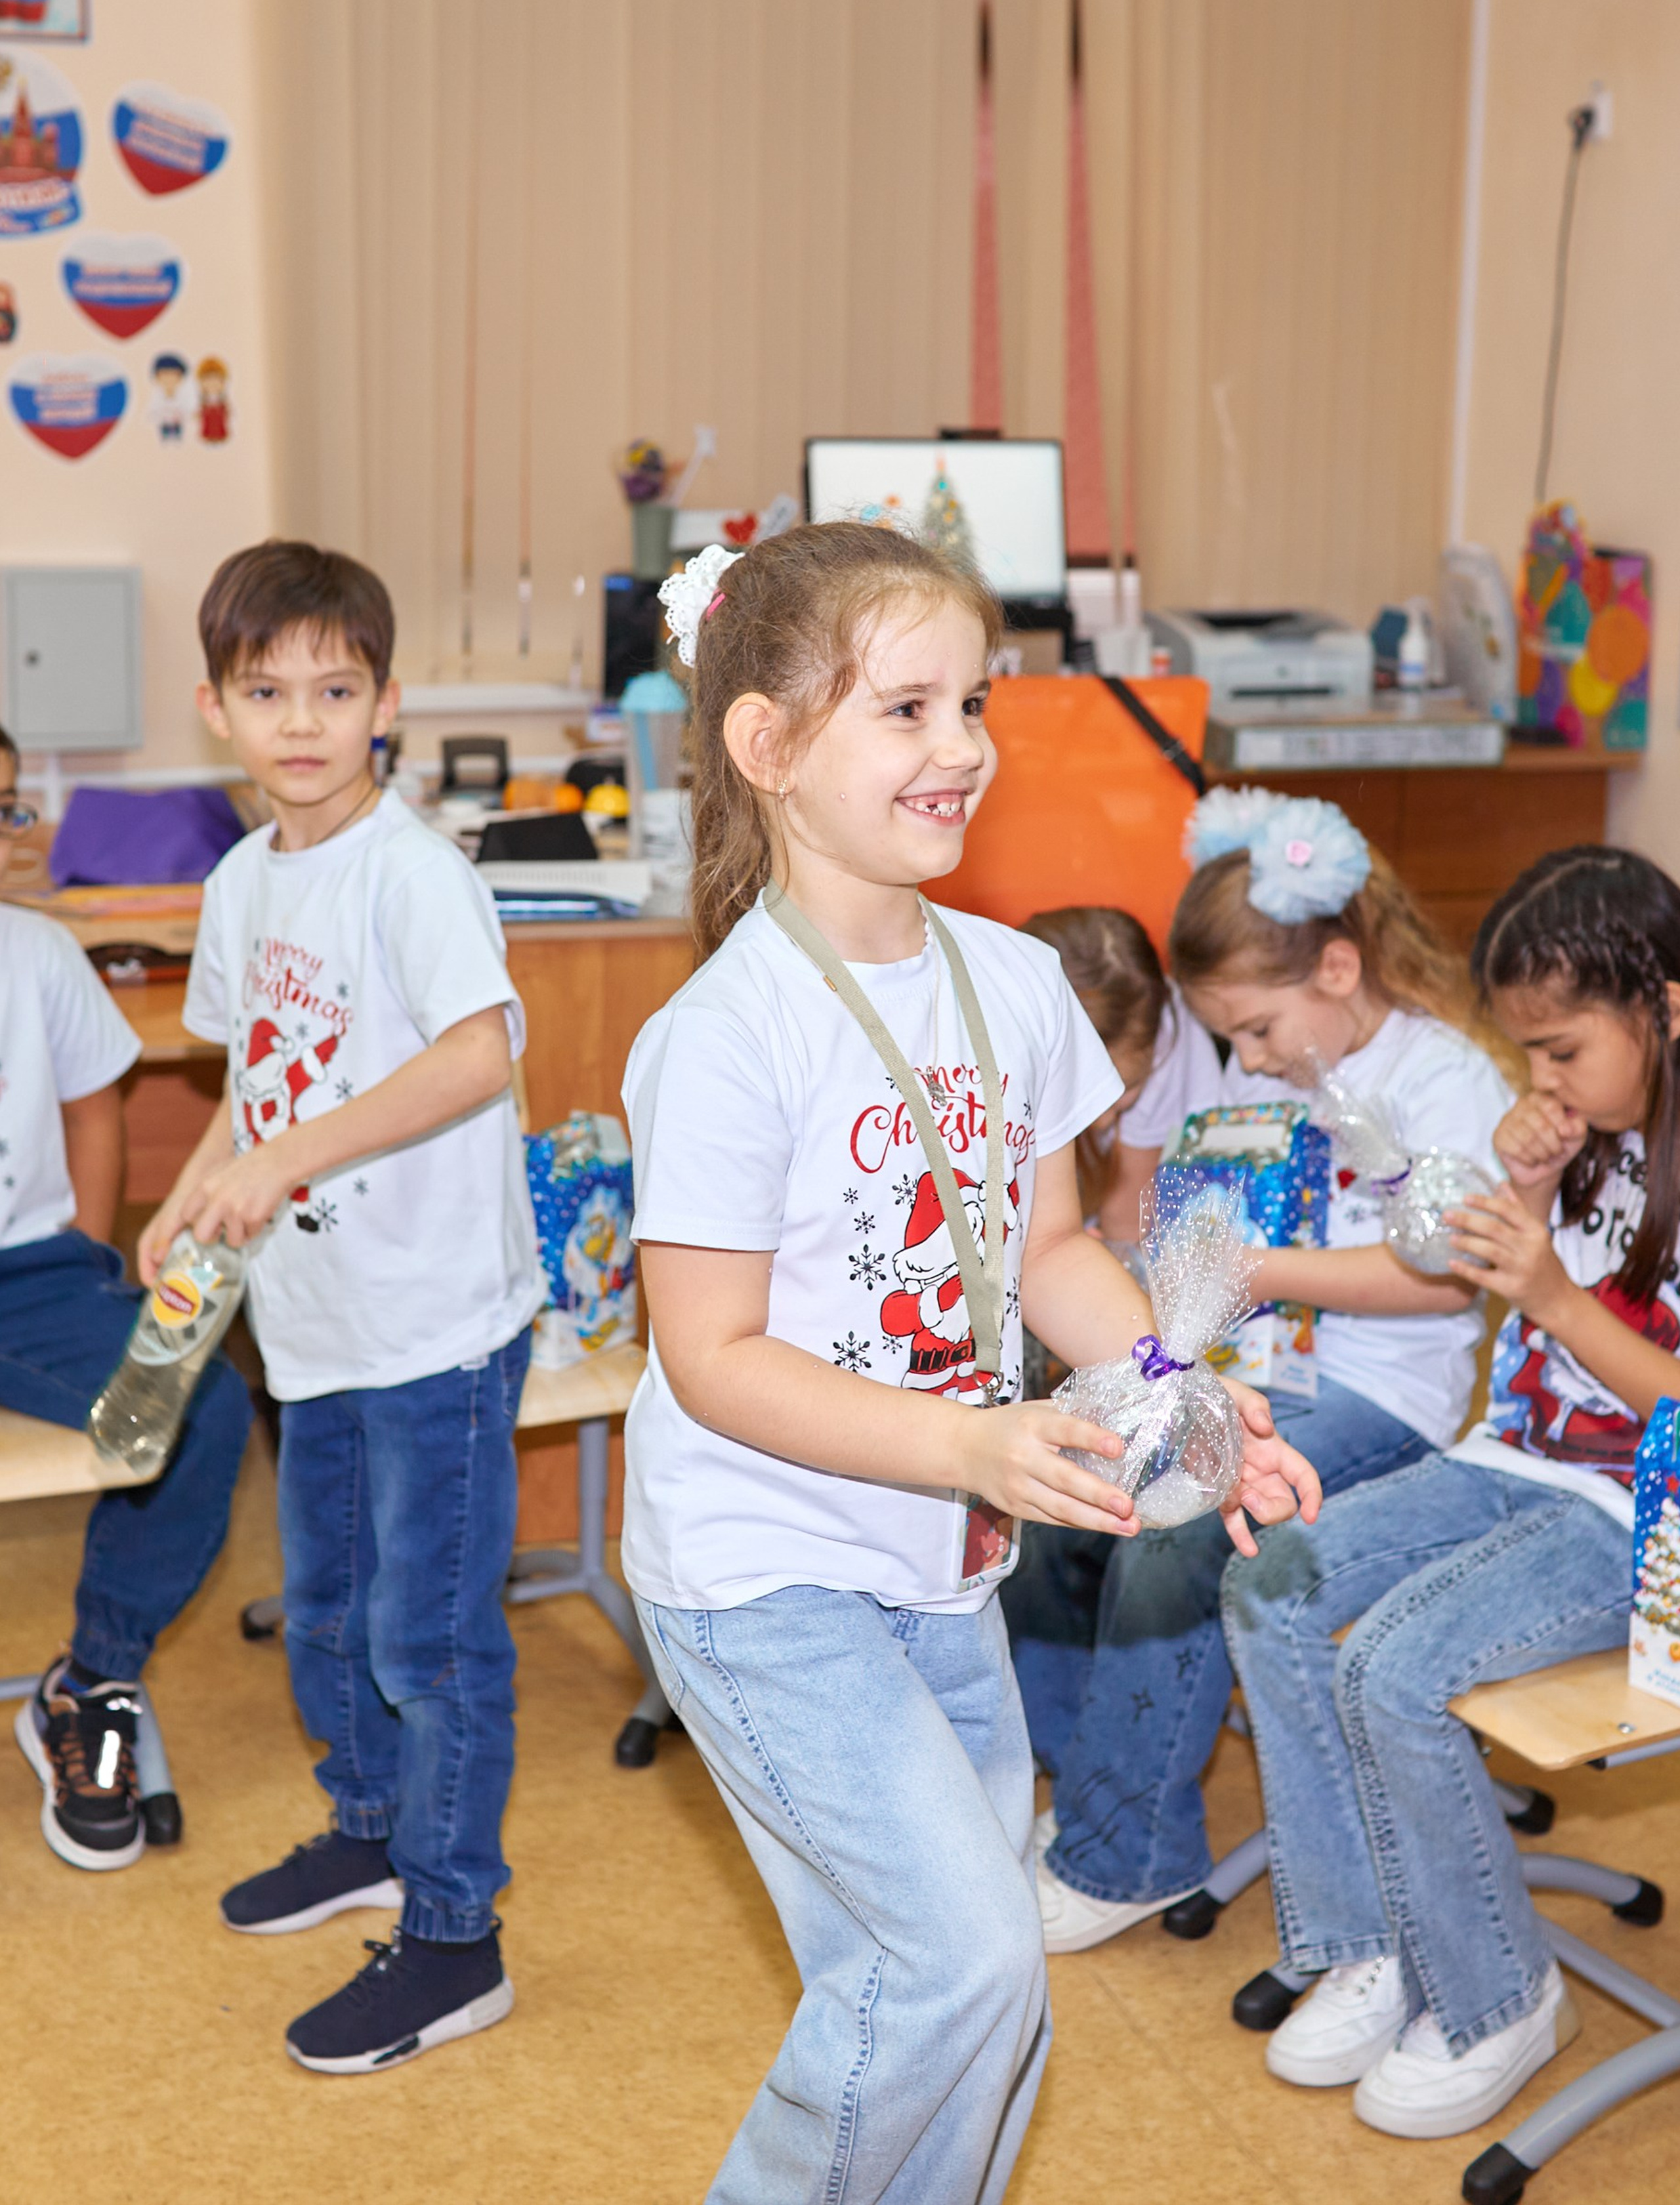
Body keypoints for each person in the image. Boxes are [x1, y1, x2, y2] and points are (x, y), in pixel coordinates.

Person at [620, 523, 1321, 2204]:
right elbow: (709, 1357)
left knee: (965, 1969)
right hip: (760, 1572)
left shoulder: (1010, 983)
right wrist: (972, 1446)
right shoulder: (722, 1035)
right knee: (959, 1969)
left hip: (940, 1564)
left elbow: (1054, 1254)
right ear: (767, 749)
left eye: (973, 703)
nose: (959, 750)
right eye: (906, 709)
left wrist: (1185, 1393)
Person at [140, 542, 543, 2076]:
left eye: (333, 688)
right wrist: (193, 1191)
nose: (300, 720)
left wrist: (286, 1153)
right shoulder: (243, 880)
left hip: (435, 1327)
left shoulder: (412, 870)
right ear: (215, 708)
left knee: (428, 1640)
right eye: (265, 691)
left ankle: (455, 1935)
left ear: (387, 701)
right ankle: (370, 1832)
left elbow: (474, 1055)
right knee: (321, 1613)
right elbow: (253, 1079)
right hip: (311, 1323)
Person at [1224, 843, 1680, 2140]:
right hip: (1507, 1462)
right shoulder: (1580, 1133)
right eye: (1523, 1053)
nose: (1538, 1078)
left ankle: (1496, 1996)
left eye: (1558, 1050)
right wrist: (1522, 1175)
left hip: (1635, 1520)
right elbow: (1447, 1258)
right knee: (1267, 1577)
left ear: (1663, 1006)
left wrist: (1549, 1292)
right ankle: (1370, 1940)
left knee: (1392, 1673)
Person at [1007, 787, 1513, 1951]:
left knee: (1180, 1525)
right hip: (1256, 1369)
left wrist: (1265, 1265)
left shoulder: (1444, 1082)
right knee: (1062, 1471)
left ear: (1339, 970)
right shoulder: (1267, 1076)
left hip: (1384, 1394)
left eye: (1258, 1028)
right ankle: (1087, 1773)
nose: (1243, 1058)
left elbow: (1447, 1281)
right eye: (1228, 1035)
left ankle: (1124, 1851)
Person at [0, 726, 252, 1870]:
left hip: (30, 1281)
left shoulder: (36, 952)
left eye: (6, 809)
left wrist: (91, 1259)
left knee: (199, 1400)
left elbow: (96, 1108)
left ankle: (92, 1680)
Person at [1019, 904, 1223, 1243]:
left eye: (1123, 1092)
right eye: (1083, 1097)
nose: (1103, 1121)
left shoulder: (1165, 1037)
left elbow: (1128, 1218)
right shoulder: (1004, 1044)